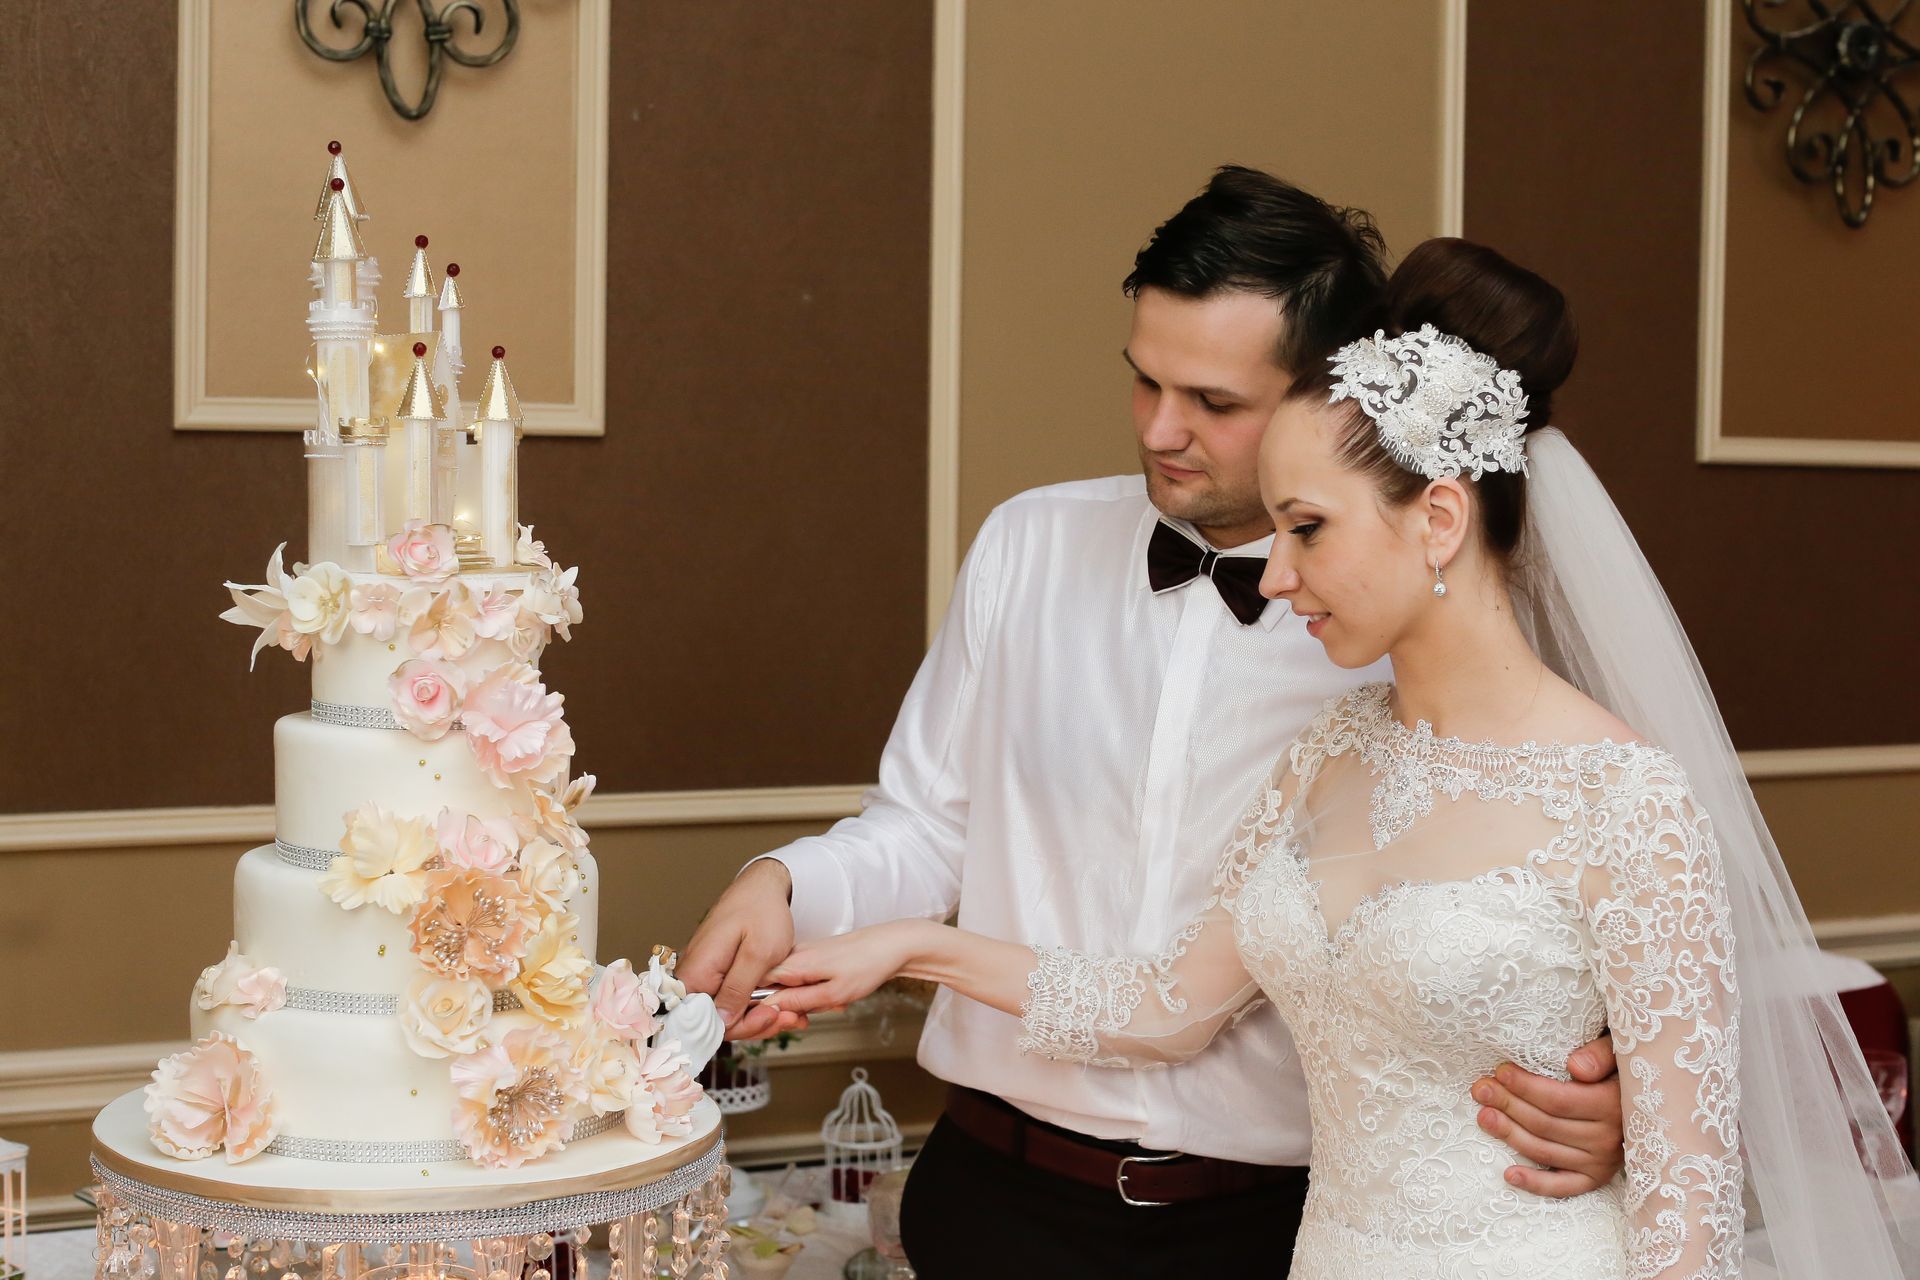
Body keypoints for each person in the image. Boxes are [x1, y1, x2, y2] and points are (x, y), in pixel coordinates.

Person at [758, 239, 1920, 1277]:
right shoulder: (1330, 753)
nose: (1275, 574)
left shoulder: (1627, 796)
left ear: (1440, 521)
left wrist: (1621, 1103)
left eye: (1306, 528)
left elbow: (1688, 1219)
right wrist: (912, 944)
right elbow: (1168, 1005)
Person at [681, 173, 1629, 1276]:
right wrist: (784, 886)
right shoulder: (1027, 546)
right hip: (995, 1195)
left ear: (1334, 399)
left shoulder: (1405, 626)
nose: (1161, 429)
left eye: (1215, 402)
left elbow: (1557, 881)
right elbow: (926, 827)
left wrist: (1605, 1090)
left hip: (1274, 1226)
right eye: (1145, 380)